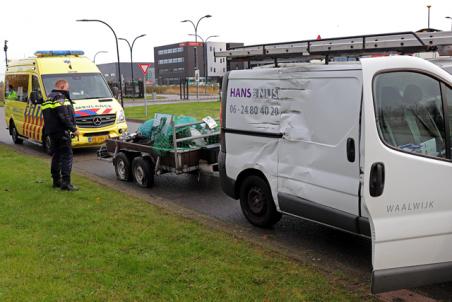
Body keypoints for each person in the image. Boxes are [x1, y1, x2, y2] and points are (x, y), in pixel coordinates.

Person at [42, 79, 80, 191]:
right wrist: (73, 129)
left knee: (56, 156)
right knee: (67, 156)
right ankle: (66, 183)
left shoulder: (48, 98)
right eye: (67, 87)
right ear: (62, 86)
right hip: (62, 132)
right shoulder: (60, 97)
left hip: (52, 133)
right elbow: (63, 115)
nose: (68, 90)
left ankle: (56, 181)